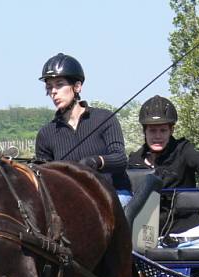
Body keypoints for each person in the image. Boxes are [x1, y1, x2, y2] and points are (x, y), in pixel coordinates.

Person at [128, 95, 199, 249]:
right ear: (145, 131)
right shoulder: (134, 161)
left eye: (163, 130)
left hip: (190, 236)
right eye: (153, 130)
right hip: (149, 241)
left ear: (171, 130)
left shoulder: (183, 150)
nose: (157, 136)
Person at [35, 53, 132, 206]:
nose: (53, 92)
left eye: (59, 85)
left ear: (77, 86)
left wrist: (96, 161)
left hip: (113, 193)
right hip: (72, 199)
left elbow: (120, 159)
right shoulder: (46, 134)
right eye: (49, 87)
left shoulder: (104, 118)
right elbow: (42, 177)